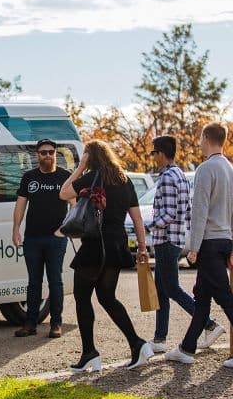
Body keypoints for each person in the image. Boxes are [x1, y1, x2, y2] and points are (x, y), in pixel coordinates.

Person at [164, 123, 233, 368]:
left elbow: (200, 211)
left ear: (206, 138)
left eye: (200, 138)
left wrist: (194, 247)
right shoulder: (231, 170)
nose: (198, 142)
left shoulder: (206, 169)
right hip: (224, 241)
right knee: (202, 297)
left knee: (224, 296)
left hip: (208, 243)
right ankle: (187, 349)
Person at [60, 139, 154, 372]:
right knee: (106, 297)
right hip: (117, 244)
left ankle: (90, 353)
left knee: (82, 297)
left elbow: (63, 193)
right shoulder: (124, 180)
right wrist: (142, 248)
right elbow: (137, 218)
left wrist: (80, 168)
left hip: (95, 244)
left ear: (90, 157)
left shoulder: (91, 178)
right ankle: (137, 344)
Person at [146, 135, 224, 353]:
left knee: (171, 289)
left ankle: (209, 324)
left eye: (154, 153)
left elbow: (169, 213)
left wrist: (147, 227)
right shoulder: (179, 175)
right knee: (162, 290)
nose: (154, 157)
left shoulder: (167, 177)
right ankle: (160, 339)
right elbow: (187, 211)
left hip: (166, 240)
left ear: (161, 153)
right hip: (175, 238)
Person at [12, 139, 71, 338]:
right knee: (34, 283)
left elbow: (75, 205)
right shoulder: (29, 177)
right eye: (43, 152)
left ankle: (56, 323)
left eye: (51, 152)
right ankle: (30, 324)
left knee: (55, 281)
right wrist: (16, 229)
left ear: (55, 154)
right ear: (37, 155)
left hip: (56, 240)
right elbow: (20, 205)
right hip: (33, 239)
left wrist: (66, 229)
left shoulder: (65, 177)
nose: (47, 156)